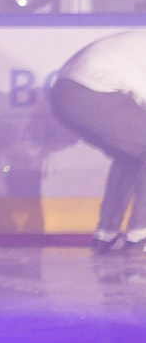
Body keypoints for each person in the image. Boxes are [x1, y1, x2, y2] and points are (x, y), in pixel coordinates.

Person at [51, 28, 146, 252]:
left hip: (65, 91)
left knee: (130, 153)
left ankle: (107, 233)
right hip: (88, 92)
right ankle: (140, 232)